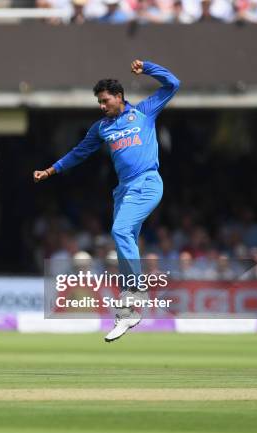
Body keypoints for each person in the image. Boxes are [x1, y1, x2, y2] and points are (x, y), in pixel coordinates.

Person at [33, 59, 179, 342]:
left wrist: (148, 67)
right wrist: (51, 170)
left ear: (119, 97)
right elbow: (79, 152)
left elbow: (174, 84)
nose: (101, 106)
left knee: (120, 231)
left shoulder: (144, 112)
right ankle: (128, 312)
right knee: (125, 243)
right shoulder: (101, 128)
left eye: (104, 100)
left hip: (148, 183)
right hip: (124, 191)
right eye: (98, 102)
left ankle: (136, 290)